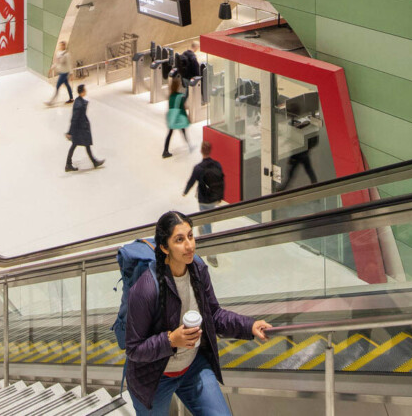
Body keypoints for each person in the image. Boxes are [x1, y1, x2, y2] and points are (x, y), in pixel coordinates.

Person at [125, 211, 271, 415]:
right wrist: (170, 340)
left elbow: (214, 315)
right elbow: (134, 349)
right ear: (164, 247)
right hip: (154, 378)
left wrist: (249, 326)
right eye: (179, 239)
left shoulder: (198, 270)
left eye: (190, 236)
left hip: (192, 367)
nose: (189, 245)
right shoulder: (146, 289)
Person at [65, 84, 104, 171]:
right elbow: (74, 119)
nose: (86, 91)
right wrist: (69, 132)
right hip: (80, 129)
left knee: (84, 145)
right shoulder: (79, 104)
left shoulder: (79, 101)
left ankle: (94, 162)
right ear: (82, 92)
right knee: (79, 144)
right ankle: (68, 164)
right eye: (85, 90)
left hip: (81, 128)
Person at [163, 76, 192, 157]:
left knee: (170, 133)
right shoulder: (180, 96)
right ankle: (189, 145)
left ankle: (165, 150)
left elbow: (170, 107)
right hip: (179, 116)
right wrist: (187, 117)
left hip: (172, 117)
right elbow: (182, 108)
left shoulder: (170, 96)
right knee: (183, 130)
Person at [48, 40, 75, 105]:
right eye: (60, 45)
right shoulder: (58, 53)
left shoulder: (67, 54)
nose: (61, 46)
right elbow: (56, 62)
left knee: (57, 86)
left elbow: (69, 64)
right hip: (60, 72)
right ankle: (71, 98)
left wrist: (71, 74)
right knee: (67, 85)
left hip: (64, 73)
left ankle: (52, 101)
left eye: (62, 45)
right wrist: (52, 68)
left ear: (64, 46)